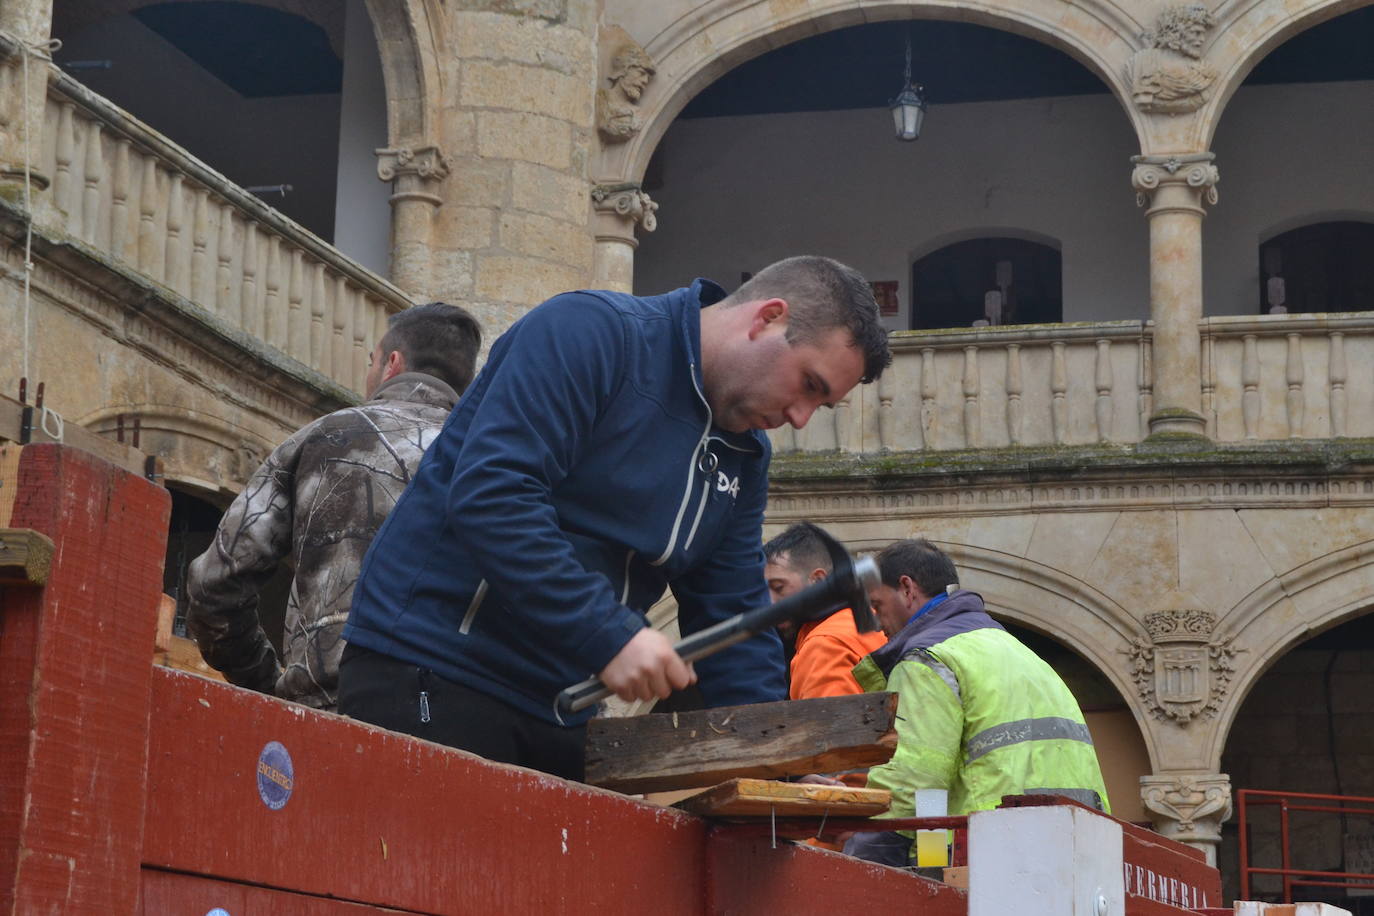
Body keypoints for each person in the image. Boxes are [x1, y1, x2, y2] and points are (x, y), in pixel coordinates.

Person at [339, 256, 892, 780]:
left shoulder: (746, 456)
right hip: (432, 671)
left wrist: (773, 760)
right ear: (769, 319)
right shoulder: (588, 333)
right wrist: (609, 635)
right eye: (809, 385)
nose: (800, 418)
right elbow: (495, 495)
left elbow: (734, 613)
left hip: (563, 712)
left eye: (821, 406)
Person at [185, 302, 482, 712]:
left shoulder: (326, 437)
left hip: (327, 707)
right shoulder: (488, 462)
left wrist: (265, 680)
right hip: (456, 717)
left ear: (391, 364)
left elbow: (215, 584)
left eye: (372, 361)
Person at [843, 538, 1109, 866]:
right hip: (1076, 845)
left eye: (878, 604)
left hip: (990, 853)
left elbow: (914, 776)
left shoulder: (927, 660)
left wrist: (865, 854)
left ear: (907, 588)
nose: (877, 621)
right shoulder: (1021, 654)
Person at [763, 522, 886, 699]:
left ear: (819, 580)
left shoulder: (824, 644)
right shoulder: (871, 622)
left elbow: (829, 724)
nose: (769, 602)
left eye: (778, 587)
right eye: (764, 591)